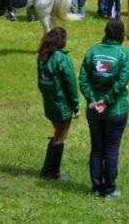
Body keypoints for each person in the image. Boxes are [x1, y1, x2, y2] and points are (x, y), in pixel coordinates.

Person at [79, 19, 129, 199]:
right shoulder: (123, 55)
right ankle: (109, 189)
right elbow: (121, 83)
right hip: (115, 110)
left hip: (94, 110)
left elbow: (83, 79)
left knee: (96, 148)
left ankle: (96, 188)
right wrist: (107, 102)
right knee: (110, 149)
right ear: (121, 34)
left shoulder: (92, 52)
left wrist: (92, 100)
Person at [37, 27, 80, 181]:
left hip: (49, 104)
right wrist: (76, 107)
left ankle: (47, 171)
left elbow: (40, 84)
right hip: (62, 105)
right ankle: (51, 172)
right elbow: (71, 85)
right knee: (60, 137)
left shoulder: (42, 57)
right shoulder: (62, 59)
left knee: (57, 134)